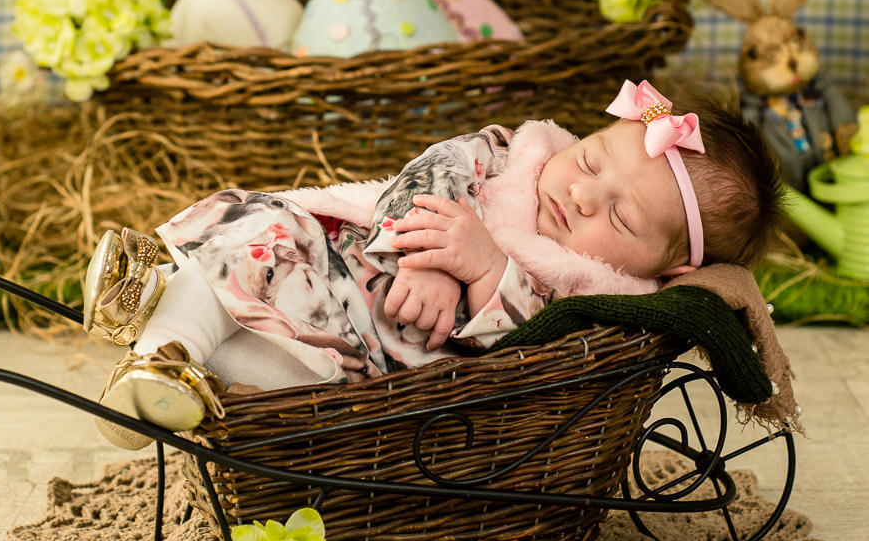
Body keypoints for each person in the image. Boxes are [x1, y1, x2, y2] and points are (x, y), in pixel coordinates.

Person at [86, 79, 784, 449]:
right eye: (592, 160)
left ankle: (162, 336)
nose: (581, 194)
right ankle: (158, 355)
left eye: (622, 218)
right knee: (266, 228)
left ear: (667, 269)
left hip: (360, 377)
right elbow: (435, 167)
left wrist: (487, 271)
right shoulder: (512, 156)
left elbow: (537, 361)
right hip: (328, 276)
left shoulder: (597, 298)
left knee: (258, 360)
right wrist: (419, 256)